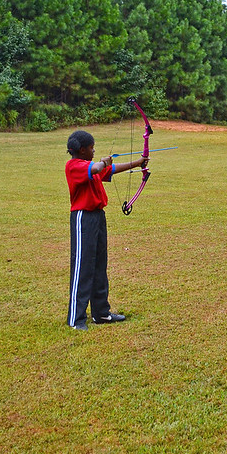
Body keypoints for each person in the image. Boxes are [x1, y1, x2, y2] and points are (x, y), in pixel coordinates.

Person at [65, 130, 147, 330]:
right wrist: (103, 161)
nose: (94, 151)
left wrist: (138, 162)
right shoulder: (74, 166)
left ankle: (101, 313)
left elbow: (108, 170)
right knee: (82, 268)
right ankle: (76, 320)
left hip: (98, 217)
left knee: (99, 266)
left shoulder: (90, 166)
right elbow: (98, 167)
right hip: (83, 218)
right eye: (92, 148)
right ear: (82, 150)